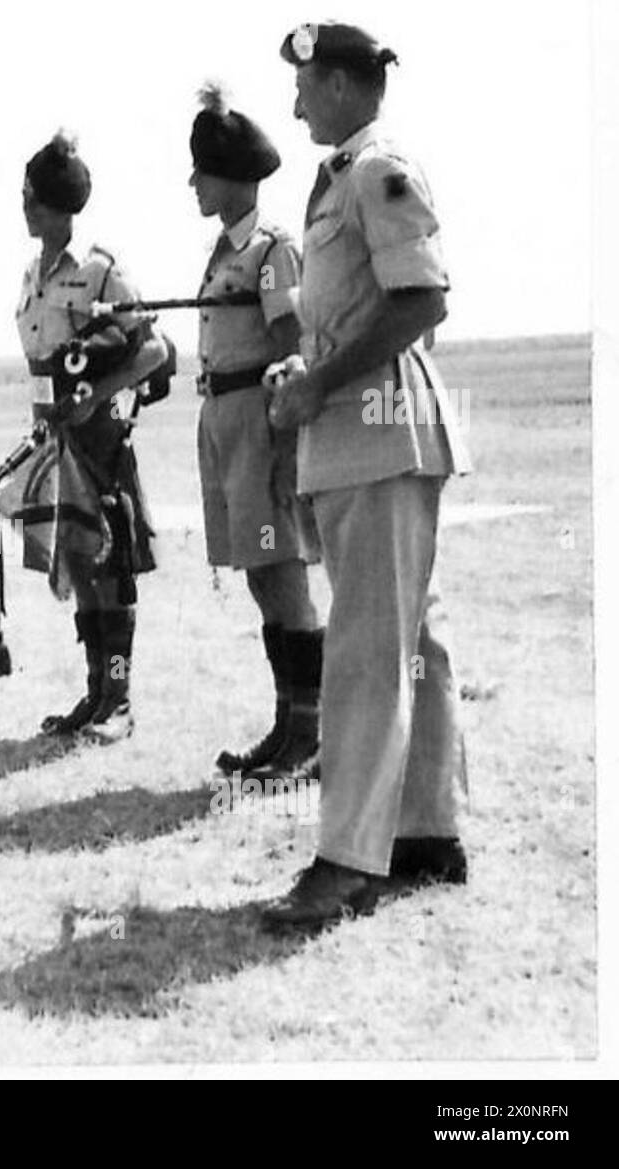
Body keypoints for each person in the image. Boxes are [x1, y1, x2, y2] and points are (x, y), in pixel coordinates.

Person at [263, 22, 473, 928]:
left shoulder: (377, 168)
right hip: (366, 435)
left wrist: (318, 381)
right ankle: (426, 833)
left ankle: (348, 860)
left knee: (364, 652)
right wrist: (303, 370)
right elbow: (351, 312)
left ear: (344, 85)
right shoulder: (341, 177)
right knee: (410, 644)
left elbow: (422, 298)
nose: (297, 101)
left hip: (378, 436)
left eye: (306, 84)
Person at [6, 130, 170, 743]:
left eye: (32, 198)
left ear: (55, 205)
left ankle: (120, 701)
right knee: (78, 562)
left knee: (109, 564)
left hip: (97, 434)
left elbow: (150, 348)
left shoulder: (99, 269)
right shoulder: (32, 275)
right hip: (52, 437)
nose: (25, 208)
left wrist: (97, 397)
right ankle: (96, 692)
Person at [188, 82, 324, 784]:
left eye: (203, 172)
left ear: (234, 176)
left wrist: (284, 441)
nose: (195, 184)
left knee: (283, 572)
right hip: (224, 422)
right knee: (261, 578)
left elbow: (289, 342)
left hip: (261, 422)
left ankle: (313, 733)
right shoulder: (222, 251)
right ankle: (287, 725)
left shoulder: (273, 251)